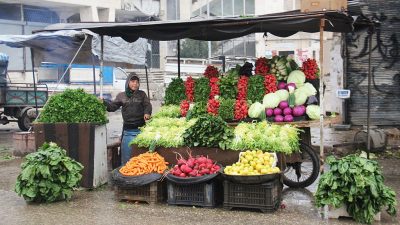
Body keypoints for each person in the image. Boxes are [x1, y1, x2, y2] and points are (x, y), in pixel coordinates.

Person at [103, 74, 152, 165]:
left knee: (141, 153)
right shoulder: (122, 95)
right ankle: (125, 167)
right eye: (133, 81)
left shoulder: (142, 94)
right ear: (128, 82)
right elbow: (112, 107)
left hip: (141, 128)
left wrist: (147, 113)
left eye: (137, 82)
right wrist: (104, 102)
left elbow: (147, 105)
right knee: (126, 153)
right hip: (127, 129)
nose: (135, 84)